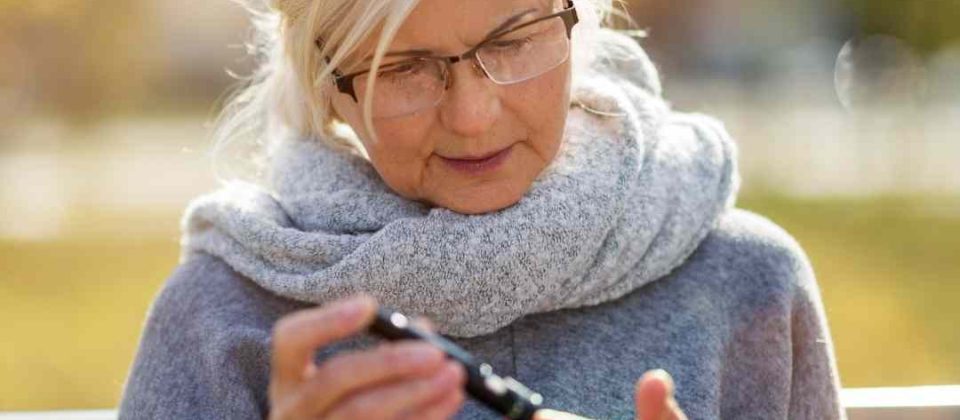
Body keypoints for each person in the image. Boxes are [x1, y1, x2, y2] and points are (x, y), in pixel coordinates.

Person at [118, 0, 845, 418]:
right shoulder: (221, 320)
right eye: (403, 70)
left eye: (512, 40)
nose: (472, 115)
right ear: (330, 89)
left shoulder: (751, 284)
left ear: (575, 25)